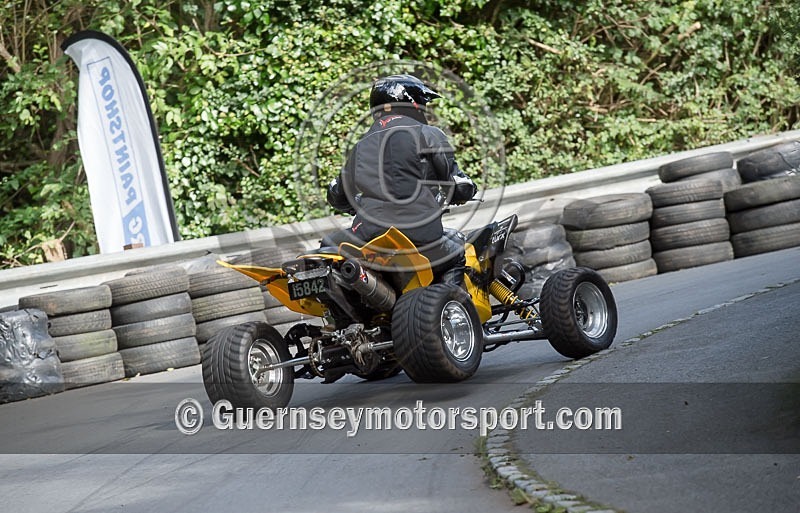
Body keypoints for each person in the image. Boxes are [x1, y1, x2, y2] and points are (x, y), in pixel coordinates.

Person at [323, 74, 477, 286]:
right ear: (410, 103)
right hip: (419, 233)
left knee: (328, 247)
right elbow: (456, 183)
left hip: (369, 234)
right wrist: (467, 190)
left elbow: (336, 195)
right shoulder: (427, 133)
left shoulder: (360, 146)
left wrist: (359, 207)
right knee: (457, 253)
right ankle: (455, 311)